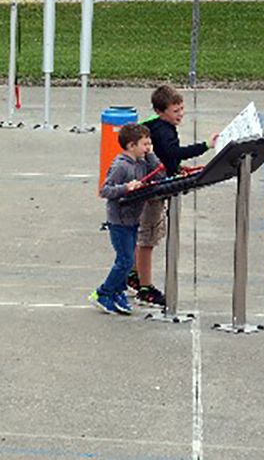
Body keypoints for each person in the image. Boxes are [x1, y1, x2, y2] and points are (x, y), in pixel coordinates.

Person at [130, 84, 219, 307]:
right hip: (152, 192)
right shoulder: (163, 130)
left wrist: (174, 168)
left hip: (152, 184)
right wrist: (206, 145)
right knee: (147, 239)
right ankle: (145, 288)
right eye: (175, 110)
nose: (180, 114)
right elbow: (174, 153)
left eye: (181, 109)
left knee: (143, 236)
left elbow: (166, 158)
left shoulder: (158, 126)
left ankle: (133, 274)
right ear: (161, 112)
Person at [89, 123, 162, 315]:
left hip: (132, 219)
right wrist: (126, 188)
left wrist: (151, 155)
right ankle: (103, 293)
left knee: (127, 260)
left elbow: (160, 174)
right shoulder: (121, 166)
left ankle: (118, 292)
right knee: (125, 261)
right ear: (131, 146)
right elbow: (105, 190)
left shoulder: (141, 162)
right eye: (145, 144)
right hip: (119, 221)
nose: (148, 147)